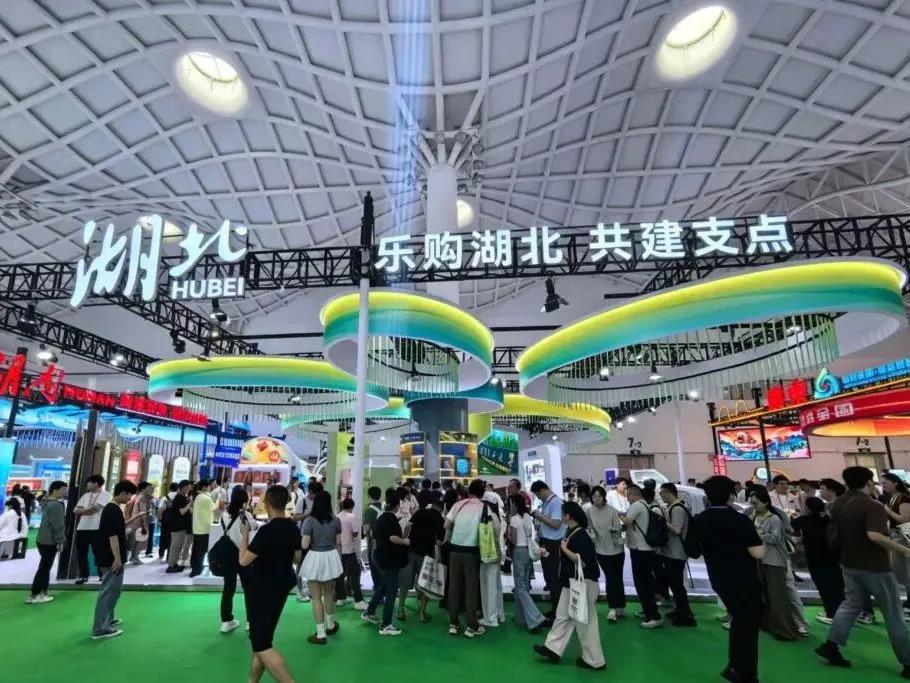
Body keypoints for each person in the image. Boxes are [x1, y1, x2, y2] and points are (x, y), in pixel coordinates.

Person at [816, 466, 910, 677]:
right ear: (868, 482)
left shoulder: (839, 503)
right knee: (894, 615)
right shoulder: (872, 505)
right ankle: (907, 662)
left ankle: (831, 646)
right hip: (876, 566)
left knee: (850, 606)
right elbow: (875, 535)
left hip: (848, 563)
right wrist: (904, 550)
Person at [688, 476, 765, 683]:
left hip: (719, 578)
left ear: (707, 496)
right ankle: (745, 673)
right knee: (748, 625)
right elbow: (758, 553)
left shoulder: (700, 519)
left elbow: (693, 552)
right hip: (744, 579)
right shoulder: (740, 520)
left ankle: (734, 667)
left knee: (739, 620)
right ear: (732, 495)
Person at [239, 485, 300, 683]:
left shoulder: (266, 530)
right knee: (263, 638)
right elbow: (297, 558)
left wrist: (244, 534)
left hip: (263, 588)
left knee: (261, 644)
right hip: (282, 585)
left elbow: (244, 560)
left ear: (268, 504)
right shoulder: (293, 528)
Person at [533, 501, 605, 671]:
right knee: (562, 616)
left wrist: (564, 550)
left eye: (563, 513)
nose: (561, 516)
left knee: (585, 622)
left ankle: (595, 660)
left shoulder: (580, 536)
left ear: (569, 516)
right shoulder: (572, 532)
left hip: (583, 583)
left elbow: (583, 562)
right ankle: (553, 648)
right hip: (571, 583)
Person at [749, 487, 798, 640]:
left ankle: (786, 630)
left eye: (755, 503)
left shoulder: (774, 518)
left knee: (777, 596)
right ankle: (770, 624)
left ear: (765, 502)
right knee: (766, 595)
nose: (753, 505)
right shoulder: (754, 516)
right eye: (752, 503)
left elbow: (775, 538)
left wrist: (757, 533)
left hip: (774, 561)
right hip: (760, 559)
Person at [91, 480, 138, 640]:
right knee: (108, 592)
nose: (130, 499)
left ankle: (108, 619)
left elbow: (119, 528)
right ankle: (100, 628)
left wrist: (135, 518)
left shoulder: (113, 509)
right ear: (123, 493)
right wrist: (117, 558)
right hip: (110, 558)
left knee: (113, 591)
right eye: (129, 495)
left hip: (109, 556)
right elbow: (113, 536)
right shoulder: (112, 509)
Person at [363, 489, 409, 635]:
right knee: (392, 590)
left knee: (383, 586)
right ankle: (386, 624)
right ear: (397, 505)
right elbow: (392, 538)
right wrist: (405, 541)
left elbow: (372, 533)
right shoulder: (390, 519)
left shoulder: (381, 517)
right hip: (389, 559)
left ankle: (369, 612)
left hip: (379, 556)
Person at [300, 490, 343, 644]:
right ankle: (330, 624)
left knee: (316, 597)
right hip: (331, 556)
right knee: (329, 593)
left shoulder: (309, 521)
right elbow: (338, 542)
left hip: (315, 557)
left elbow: (304, 545)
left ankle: (320, 633)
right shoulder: (336, 519)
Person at [445, 478, 486, 637]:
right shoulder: (484, 507)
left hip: (454, 551)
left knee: (454, 587)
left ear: (469, 492)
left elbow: (446, 525)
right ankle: (471, 626)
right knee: (471, 588)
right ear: (483, 493)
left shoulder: (458, 505)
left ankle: (453, 624)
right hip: (472, 551)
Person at [792, 496, 843, 624]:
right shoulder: (828, 519)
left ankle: (831, 614)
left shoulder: (804, 519)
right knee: (836, 585)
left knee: (823, 587)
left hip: (815, 558)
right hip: (833, 558)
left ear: (807, 508)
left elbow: (791, 525)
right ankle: (839, 613)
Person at [399, 497, 444, 623]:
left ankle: (401, 610)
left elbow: (408, 526)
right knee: (424, 584)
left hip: (410, 551)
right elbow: (439, 542)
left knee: (404, 583)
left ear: (432, 505)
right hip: (426, 555)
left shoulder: (420, 512)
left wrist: (404, 539)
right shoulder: (440, 519)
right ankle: (422, 614)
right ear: (441, 509)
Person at [220, 486, 258, 633]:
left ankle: (226, 621)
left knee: (228, 588)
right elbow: (254, 527)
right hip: (243, 554)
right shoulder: (245, 515)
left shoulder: (225, 514)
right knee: (249, 588)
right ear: (244, 500)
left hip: (227, 555)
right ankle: (251, 621)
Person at [507, 492, 548, 632]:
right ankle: (521, 618)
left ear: (514, 504)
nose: (510, 506)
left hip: (519, 552)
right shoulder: (528, 517)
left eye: (511, 503)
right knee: (524, 585)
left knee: (520, 588)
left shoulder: (514, 519)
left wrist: (508, 534)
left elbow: (513, 539)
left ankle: (536, 618)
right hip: (528, 553)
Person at [658, 483, 696, 627]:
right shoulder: (674, 507)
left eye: (662, 493)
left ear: (668, 492)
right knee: (674, 585)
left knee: (677, 585)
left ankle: (686, 615)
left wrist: (662, 521)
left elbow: (677, 530)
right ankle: (680, 610)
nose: (661, 496)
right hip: (672, 552)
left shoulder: (678, 509)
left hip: (676, 553)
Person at [624, 484, 662, 628]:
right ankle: (648, 611)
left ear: (633, 494)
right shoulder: (645, 505)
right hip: (646, 549)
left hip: (639, 549)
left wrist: (619, 514)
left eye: (628, 495)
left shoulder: (636, 505)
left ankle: (653, 616)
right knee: (646, 583)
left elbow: (627, 521)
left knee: (642, 584)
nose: (627, 498)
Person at [588, 485, 626, 623]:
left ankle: (617, 607)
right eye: (594, 496)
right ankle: (615, 607)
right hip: (600, 551)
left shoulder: (611, 511)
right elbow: (589, 526)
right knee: (611, 578)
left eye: (599, 496)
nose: (596, 498)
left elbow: (619, 528)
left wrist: (613, 529)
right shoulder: (590, 511)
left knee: (616, 579)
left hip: (616, 551)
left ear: (604, 496)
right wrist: (591, 535)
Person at [530, 480, 566, 618]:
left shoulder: (556, 502)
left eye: (537, 495)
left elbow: (556, 524)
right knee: (550, 578)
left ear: (542, 490)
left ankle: (558, 612)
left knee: (554, 578)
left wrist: (539, 515)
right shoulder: (548, 503)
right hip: (547, 543)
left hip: (554, 544)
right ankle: (555, 609)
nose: (538, 498)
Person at [27, 480, 67, 604]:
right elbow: (58, 525)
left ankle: (41, 592)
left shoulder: (46, 502)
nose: (65, 492)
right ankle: (37, 593)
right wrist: (61, 541)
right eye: (63, 489)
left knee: (44, 567)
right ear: (55, 490)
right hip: (50, 540)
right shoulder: (56, 505)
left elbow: (43, 500)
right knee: (45, 568)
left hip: (41, 539)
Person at [73, 474, 110, 583]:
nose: (87, 485)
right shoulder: (85, 495)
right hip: (82, 528)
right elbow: (75, 510)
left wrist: (83, 511)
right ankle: (83, 576)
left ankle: (102, 575)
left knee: (99, 553)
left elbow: (95, 510)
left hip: (97, 528)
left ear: (96, 484)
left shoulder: (106, 495)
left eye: (89, 483)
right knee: (81, 554)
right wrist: (87, 510)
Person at [881, 471, 910, 609]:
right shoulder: (891, 498)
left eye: (885, 483)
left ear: (895, 483)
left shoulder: (903, 498)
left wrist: (887, 511)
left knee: (905, 568)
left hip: (904, 537)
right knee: (901, 569)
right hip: (896, 536)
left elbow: (904, 520)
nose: (883, 486)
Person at [480, 491, 506, 628]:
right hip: (497, 553)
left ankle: (491, 618)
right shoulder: (497, 515)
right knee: (496, 585)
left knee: (488, 586)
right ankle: (500, 614)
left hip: (488, 554)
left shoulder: (487, 515)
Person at [335, 497, 366, 610]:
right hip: (349, 550)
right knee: (354, 575)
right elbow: (355, 533)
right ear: (352, 507)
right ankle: (358, 601)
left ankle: (340, 598)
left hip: (338, 550)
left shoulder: (336, 517)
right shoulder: (352, 517)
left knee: (339, 575)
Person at [190, 479, 216, 577]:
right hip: (204, 528)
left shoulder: (198, 497)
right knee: (201, 551)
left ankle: (195, 568)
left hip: (198, 528)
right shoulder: (206, 498)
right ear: (205, 487)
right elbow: (215, 509)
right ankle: (197, 569)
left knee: (196, 550)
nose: (211, 487)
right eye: (210, 486)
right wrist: (219, 502)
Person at [166, 480, 193, 573]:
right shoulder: (179, 497)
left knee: (178, 546)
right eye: (189, 486)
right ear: (184, 487)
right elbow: (182, 511)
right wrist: (190, 503)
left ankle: (174, 563)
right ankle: (171, 566)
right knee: (176, 546)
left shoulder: (183, 497)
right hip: (177, 527)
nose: (190, 488)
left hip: (181, 527)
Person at [125, 481, 152, 565]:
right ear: (143, 489)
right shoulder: (142, 497)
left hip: (134, 521)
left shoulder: (137, 496)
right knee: (138, 541)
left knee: (133, 541)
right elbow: (143, 511)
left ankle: (131, 558)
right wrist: (144, 524)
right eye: (149, 488)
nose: (151, 490)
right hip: (139, 522)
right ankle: (134, 558)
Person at [157, 482, 178, 561]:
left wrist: (159, 519)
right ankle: (169, 556)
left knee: (163, 536)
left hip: (165, 521)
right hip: (175, 521)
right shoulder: (178, 497)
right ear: (178, 489)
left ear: (170, 488)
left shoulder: (165, 497)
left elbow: (160, 509)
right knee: (172, 538)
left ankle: (161, 554)